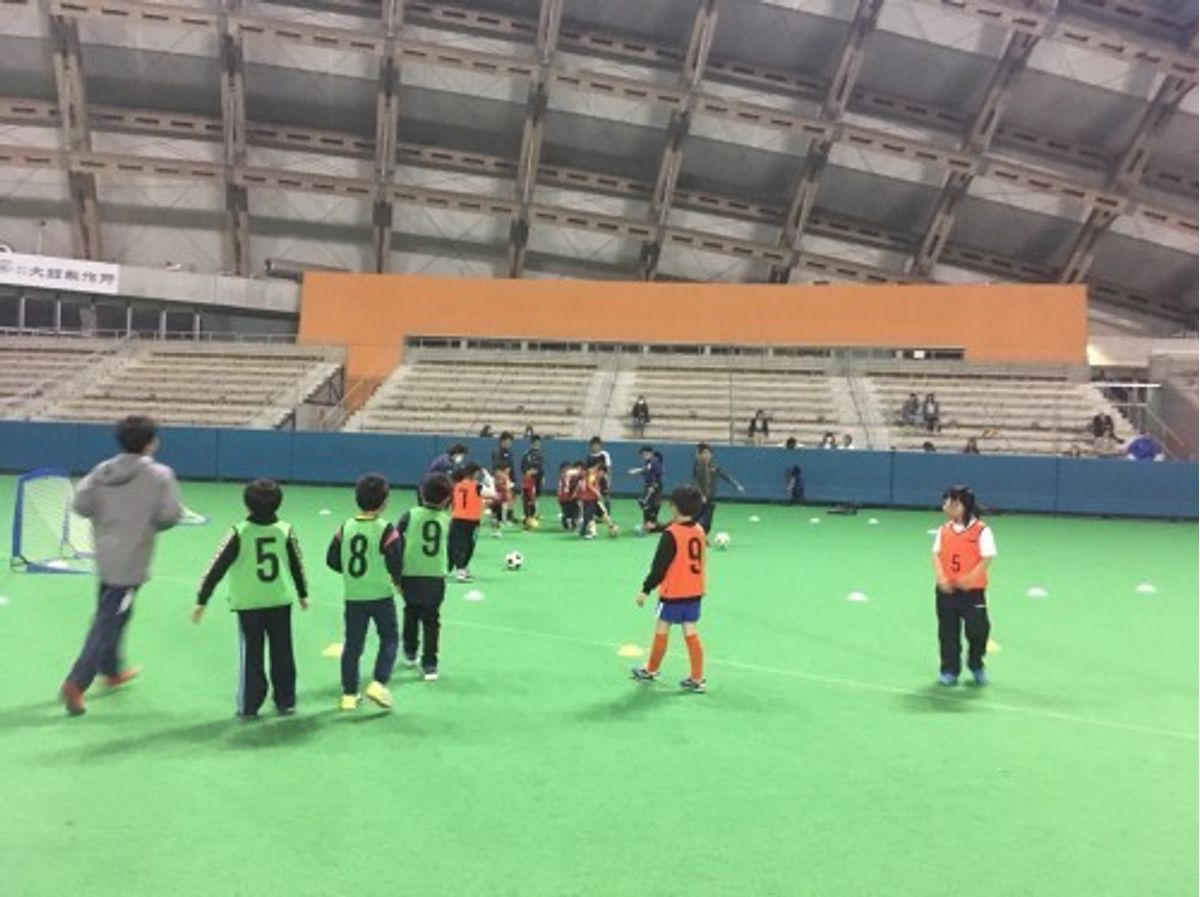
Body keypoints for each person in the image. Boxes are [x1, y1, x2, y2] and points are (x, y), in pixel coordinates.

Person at [60, 415, 183, 716]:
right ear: (151, 442)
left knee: (115, 611)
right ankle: (77, 682)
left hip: (105, 554)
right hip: (132, 559)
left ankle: (111, 668)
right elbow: (170, 515)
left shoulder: (103, 469)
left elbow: (80, 504)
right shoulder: (160, 475)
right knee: (108, 619)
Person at [192, 479, 309, 717]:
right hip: (279, 600)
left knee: (252, 655)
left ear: (247, 504)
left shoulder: (239, 532)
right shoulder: (285, 530)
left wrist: (202, 599)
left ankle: (249, 704)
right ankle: (286, 700)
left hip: (249, 604)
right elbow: (297, 564)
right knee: (283, 651)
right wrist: (303, 593)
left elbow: (217, 567)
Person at [326, 473, 403, 711]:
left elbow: (332, 560)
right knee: (389, 639)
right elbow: (395, 562)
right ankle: (379, 682)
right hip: (380, 595)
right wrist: (398, 583)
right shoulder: (386, 529)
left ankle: (349, 694)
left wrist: (350, 572)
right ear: (385, 501)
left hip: (354, 597)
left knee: (353, 645)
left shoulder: (345, 527)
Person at [631, 484, 709, 693]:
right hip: (695, 591)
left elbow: (659, 568)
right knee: (690, 631)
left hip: (673, 592)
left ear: (674, 507)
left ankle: (651, 669)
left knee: (662, 628)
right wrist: (656, 527)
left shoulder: (671, 534)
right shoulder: (699, 530)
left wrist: (645, 590)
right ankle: (697, 678)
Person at [932, 485, 996, 686]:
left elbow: (987, 557)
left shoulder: (981, 530)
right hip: (947, 592)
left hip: (972, 592)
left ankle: (976, 662)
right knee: (947, 633)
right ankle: (950, 670)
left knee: (978, 630)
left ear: (960, 506)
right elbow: (935, 554)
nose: (945, 506)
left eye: (949, 502)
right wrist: (941, 577)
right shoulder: (944, 530)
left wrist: (970, 578)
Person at [396, 475, 453, 682]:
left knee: (410, 611)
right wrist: (449, 566)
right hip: (435, 575)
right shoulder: (447, 520)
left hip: (410, 573)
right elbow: (452, 549)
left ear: (421, 493)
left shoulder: (409, 515)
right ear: (447, 499)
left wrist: (397, 567)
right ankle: (430, 664)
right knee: (431, 619)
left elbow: (395, 540)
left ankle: (410, 650)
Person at [449, 462, 490, 582]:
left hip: (457, 519)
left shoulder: (457, 485)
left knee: (455, 545)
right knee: (467, 545)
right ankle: (461, 570)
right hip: (472, 520)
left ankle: (457, 569)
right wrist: (489, 480)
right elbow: (493, 494)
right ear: (475, 473)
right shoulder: (477, 486)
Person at [692, 442, 744, 535]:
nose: (707, 455)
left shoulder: (714, 466)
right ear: (700, 455)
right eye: (704, 453)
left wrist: (736, 485)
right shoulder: (698, 466)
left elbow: (724, 475)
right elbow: (696, 482)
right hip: (699, 498)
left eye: (709, 453)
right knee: (695, 518)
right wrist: (701, 495)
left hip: (711, 496)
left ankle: (703, 537)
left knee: (708, 521)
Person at [628, 445, 665, 533]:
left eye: (644, 453)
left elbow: (658, 474)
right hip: (649, 485)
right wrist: (638, 470)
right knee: (646, 503)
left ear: (649, 453)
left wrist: (653, 486)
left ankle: (652, 524)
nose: (642, 456)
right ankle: (649, 523)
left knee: (648, 503)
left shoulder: (654, 461)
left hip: (654, 486)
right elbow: (647, 470)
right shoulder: (649, 462)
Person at [520, 434, 544, 527]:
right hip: (529, 480)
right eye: (535, 442)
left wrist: (542, 476)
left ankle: (532, 516)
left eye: (539, 442)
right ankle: (527, 518)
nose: (537, 444)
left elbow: (541, 467)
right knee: (527, 499)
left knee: (535, 498)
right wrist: (528, 472)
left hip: (537, 479)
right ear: (532, 443)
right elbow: (523, 466)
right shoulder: (527, 454)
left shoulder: (540, 454)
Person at [557, 461, 582, 531]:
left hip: (564, 498)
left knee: (570, 511)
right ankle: (571, 521)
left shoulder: (565, 476)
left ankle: (570, 521)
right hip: (567, 497)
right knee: (574, 511)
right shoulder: (569, 475)